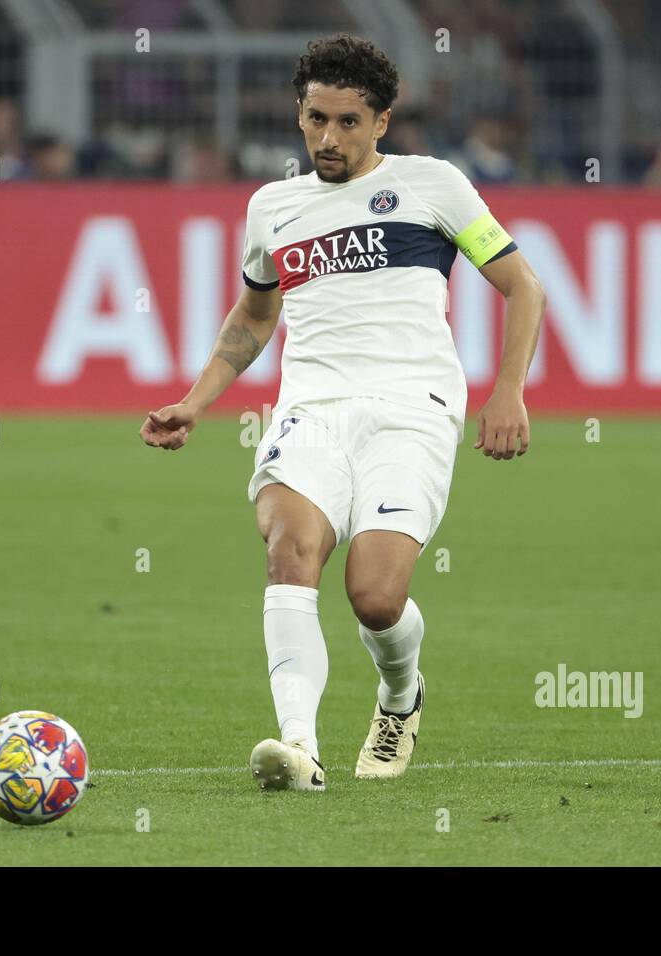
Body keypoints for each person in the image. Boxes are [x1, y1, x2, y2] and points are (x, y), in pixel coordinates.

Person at [140, 34, 545, 791]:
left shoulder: (435, 186)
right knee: (290, 551)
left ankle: (400, 694)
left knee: (375, 597)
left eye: (348, 122)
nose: (328, 138)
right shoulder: (273, 208)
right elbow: (255, 317)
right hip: (310, 410)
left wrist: (509, 390)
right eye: (315, 119)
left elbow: (524, 287)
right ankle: (300, 749)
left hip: (412, 410)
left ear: (382, 122)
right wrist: (196, 401)